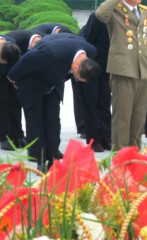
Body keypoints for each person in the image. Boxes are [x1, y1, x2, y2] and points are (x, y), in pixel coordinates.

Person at [7, 33, 99, 170]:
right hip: (33, 81)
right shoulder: (50, 54)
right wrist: (13, 78)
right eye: (78, 78)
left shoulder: (91, 51)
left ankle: (53, 156)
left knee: (53, 120)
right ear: (76, 67)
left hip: (54, 81)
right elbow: (26, 60)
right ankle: (41, 160)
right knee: (36, 121)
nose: (77, 80)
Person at [95, 0, 147, 149]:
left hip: (142, 71)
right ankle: (121, 155)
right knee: (122, 117)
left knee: (138, 118)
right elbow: (99, 13)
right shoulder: (115, 10)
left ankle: (135, 155)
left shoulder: (143, 11)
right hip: (123, 70)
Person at [75, 14, 113, 151]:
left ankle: (107, 138)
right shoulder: (98, 17)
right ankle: (94, 140)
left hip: (107, 67)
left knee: (105, 102)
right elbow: (88, 39)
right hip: (90, 66)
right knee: (91, 103)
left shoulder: (122, 17)